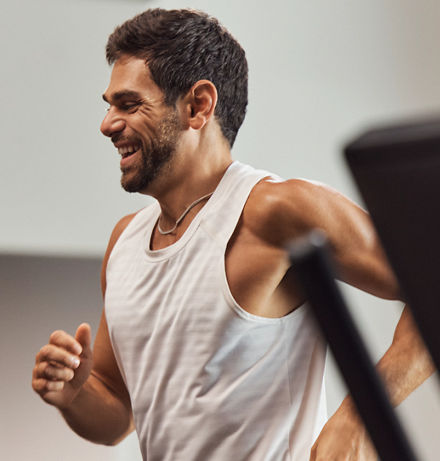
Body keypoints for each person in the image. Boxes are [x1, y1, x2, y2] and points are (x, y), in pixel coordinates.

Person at [32, 8, 434, 461]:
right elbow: (115, 417)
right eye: (108, 105)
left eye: (128, 104)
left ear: (198, 105)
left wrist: (359, 419)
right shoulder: (124, 243)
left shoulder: (278, 210)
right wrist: (74, 391)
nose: (107, 124)